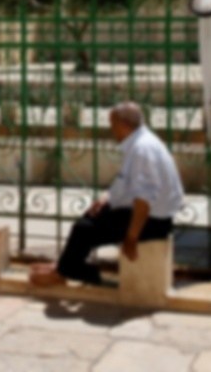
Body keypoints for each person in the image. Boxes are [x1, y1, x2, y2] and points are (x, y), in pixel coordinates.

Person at [30, 101, 184, 287]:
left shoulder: (142, 149)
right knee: (90, 217)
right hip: (146, 214)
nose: (112, 130)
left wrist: (131, 238)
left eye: (113, 125)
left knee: (83, 230)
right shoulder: (140, 142)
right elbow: (126, 182)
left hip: (153, 222)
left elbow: (144, 199)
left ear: (123, 124)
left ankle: (69, 271)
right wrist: (107, 198)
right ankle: (65, 266)